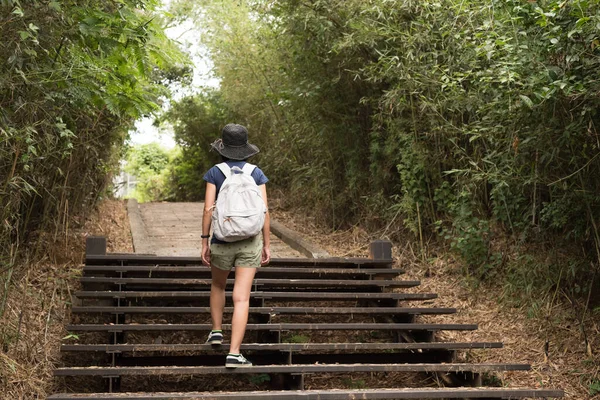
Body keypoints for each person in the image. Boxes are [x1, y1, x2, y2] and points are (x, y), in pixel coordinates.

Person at [201, 123, 271, 368]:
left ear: (222, 147)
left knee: (218, 285)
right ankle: (234, 353)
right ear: (245, 148)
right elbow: (264, 211)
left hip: (222, 239)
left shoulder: (215, 172)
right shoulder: (256, 173)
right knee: (241, 298)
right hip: (250, 241)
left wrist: (204, 240)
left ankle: (217, 330)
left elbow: (208, 210)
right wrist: (267, 244)